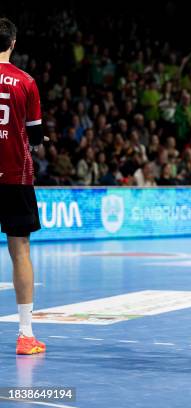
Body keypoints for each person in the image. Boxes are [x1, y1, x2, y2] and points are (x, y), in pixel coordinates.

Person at [0, 17, 47, 355]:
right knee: (20, 252)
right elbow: (34, 137)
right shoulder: (25, 82)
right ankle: (25, 335)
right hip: (15, 177)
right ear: (13, 43)